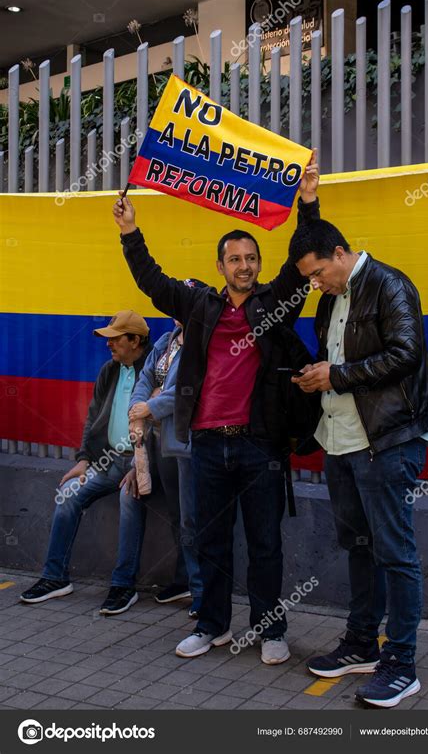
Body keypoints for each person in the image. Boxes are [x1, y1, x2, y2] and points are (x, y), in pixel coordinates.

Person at [112, 150, 320, 664]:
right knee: (211, 542)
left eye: (251, 258)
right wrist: (129, 232)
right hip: (205, 445)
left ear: (258, 265)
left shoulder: (273, 304)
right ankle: (212, 626)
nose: (243, 266)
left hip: (258, 446)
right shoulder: (198, 304)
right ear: (221, 266)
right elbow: (153, 282)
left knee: (266, 543)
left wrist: (309, 202)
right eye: (234, 259)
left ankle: (271, 631)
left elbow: (303, 260)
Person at [289, 218, 428, 707]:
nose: (315, 284)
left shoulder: (390, 284)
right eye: (309, 278)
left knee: (394, 551)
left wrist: (336, 375)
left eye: (317, 273)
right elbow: (335, 357)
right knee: (358, 545)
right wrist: (319, 375)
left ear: (340, 253)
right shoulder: (331, 296)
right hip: (339, 438)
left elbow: (406, 353)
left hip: (387, 438)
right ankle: (361, 644)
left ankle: (402, 662)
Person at [20, 311, 154, 616]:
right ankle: (55, 578)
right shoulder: (109, 370)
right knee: (67, 494)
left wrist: (139, 467)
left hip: (140, 466)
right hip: (107, 464)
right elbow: (93, 418)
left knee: (128, 499)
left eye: (115, 338)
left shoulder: (154, 373)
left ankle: (123, 586)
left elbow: (160, 425)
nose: (109, 344)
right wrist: (83, 460)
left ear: (135, 341)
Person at [126, 289, 206, 620]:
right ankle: (184, 579)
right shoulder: (167, 341)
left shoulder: (203, 343)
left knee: (193, 518)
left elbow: (189, 391)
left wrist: (152, 405)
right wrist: (137, 405)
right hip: (162, 440)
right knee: (177, 514)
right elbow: (146, 378)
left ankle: (203, 591)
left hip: (189, 444)